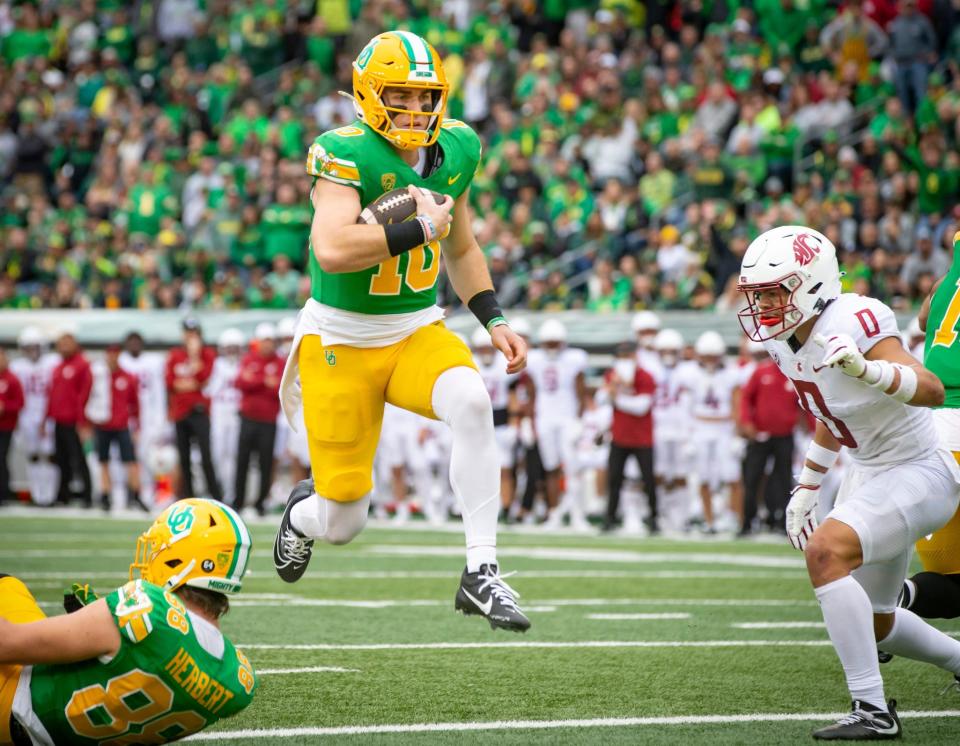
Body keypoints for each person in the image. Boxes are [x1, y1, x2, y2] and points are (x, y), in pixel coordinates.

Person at [272, 31, 529, 632]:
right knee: (343, 522)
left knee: (472, 400)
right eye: (401, 97)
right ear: (368, 94)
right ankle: (301, 515)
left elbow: (461, 247)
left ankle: (481, 572)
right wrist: (417, 228)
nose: (415, 111)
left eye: (424, 97)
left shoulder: (458, 147)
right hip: (341, 340)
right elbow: (332, 249)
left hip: (415, 328)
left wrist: (494, 318)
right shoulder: (344, 153)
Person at [738, 224, 960, 739]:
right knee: (878, 619)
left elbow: (928, 388)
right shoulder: (784, 341)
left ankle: (872, 709)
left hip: (919, 468)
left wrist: (868, 370)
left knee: (825, 554)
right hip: (870, 471)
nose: (765, 305)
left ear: (811, 283)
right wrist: (808, 485)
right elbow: (830, 411)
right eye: (759, 295)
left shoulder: (855, 317)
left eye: (774, 291)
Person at [0, 498, 256, 744]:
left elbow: (7, 643)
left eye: (158, 549)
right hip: (65, 734)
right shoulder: (238, 680)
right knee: (10, 586)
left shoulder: (147, 609)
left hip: (15, 702)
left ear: (179, 561)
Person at [895, 230, 960, 622]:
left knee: (945, 573)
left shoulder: (942, 283)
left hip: (931, 429)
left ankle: (886, 604)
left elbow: (923, 319)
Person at [525, 319, 588, 530]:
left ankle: (577, 515)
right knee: (550, 468)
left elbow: (581, 393)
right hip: (545, 418)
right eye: (548, 343)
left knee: (572, 468)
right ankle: (554, 514)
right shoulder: (534, 360)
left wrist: (580, 420)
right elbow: (532, 394)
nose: (551, 347)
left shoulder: (574, 359)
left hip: (567, 418)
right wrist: (530, 421)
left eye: (555, 343)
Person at [738, 341, 805, 535]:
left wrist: (810, 427)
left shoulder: (794, 373)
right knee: (752, 479)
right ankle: (747, 523)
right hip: (760, 435)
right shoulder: (761, 371)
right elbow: (745, 398)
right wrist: (746, 422)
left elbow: (804, 403)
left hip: (785, 435)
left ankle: (784, 522)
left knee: (785, 480)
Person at [601, 341, 658, 534]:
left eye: (627, 355)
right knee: (614, 479)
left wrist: (617, 398)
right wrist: (612, 389)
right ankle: (609, 518)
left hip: (642, 437)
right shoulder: (612, 375)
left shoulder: (645, 376)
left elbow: (641, 407)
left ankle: (654, 518)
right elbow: (601, 398)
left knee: (648, 480)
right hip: (619, 436)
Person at [166, 319, 222, 501]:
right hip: (180, 412)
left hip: (199, 412)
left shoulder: (207, 354)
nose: (191, 337)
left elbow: (203, 377)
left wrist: (195, 356)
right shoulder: (175, 354)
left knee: (206, 457)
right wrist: (191, 384)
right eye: (188, 333)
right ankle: (188, 498)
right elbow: (170, 382)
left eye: (194, 333)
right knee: (184, 459)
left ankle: (216, 497)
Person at [470, 326, 519, 522]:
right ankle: (478, 508)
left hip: (501, 422)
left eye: (488, 348)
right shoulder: (470, 363)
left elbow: (514, 395)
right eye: (482, 349)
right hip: (477, 423)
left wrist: (514, 424)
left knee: (505, 469)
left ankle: (507, 508)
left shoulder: (503, 364)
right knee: (478, 469)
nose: (486, 353)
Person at [234, 323, 284, 516]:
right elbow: (241, 382)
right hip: (247, 419)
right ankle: (238, 500)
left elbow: (278, 387)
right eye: (264, 341)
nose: (267, 345)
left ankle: (261, 502)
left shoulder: (279, 362)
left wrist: (255, 379)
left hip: (268, 421)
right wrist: (264, 380)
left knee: (265, 463)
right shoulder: (249, 359)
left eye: (270, 341)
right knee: (242, 461)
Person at [93, 344, 145, 512]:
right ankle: (106, 496)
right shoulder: (98, 376)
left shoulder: (127, 377)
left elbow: (135, 403)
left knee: (130, 461)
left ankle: (136, 495)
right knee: (103, 461)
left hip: (121, 425)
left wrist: (137, 426)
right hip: (103, 423)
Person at [120, 331, 170, 507]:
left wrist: (161, 419)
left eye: (137, 341)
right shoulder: (121, 361)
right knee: (124, 458)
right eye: (130, 341)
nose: (134, 345)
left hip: (149, 416)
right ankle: (125, 493)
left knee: (149, 457)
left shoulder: (153, 362)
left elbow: (159, 392)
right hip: (126, 416)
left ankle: (149, 493)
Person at [9, 327, 58, 506]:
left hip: (48, 415)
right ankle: (37, 494)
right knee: (33, 455)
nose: (31, 351)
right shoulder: (17, 367)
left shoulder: (52, 363)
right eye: (28, 347)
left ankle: (50, 495)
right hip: (27, 416)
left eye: (34, 347)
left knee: (50, 455)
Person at [46, 326, 93, 507]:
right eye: (61, 343)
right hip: (59, 420)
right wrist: (48, 417)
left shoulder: (82, 365)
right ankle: (62, 495)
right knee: (61, 459)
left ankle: (87, 496)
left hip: (74, 421)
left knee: (79, 459)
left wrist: (82, 422)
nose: (64, 346)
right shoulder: (58, 367)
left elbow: (84, 395)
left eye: (67, 342)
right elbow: (53, 395)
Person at [208, 328, 245, 506]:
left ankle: (231, 492)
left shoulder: (244, 364)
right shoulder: (216, 365)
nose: (231, 351)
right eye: (228, 347)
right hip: (219, 414)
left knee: (233, 455)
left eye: (234, 347)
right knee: (217, 454)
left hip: (236, 413)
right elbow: (209, 390)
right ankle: (218, 489)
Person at [0, 349, 23, 505]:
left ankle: (3, 493)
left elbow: (20, 402)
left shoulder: (12, 379)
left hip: (5, 426)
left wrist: (4, 407)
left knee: (1, 458)